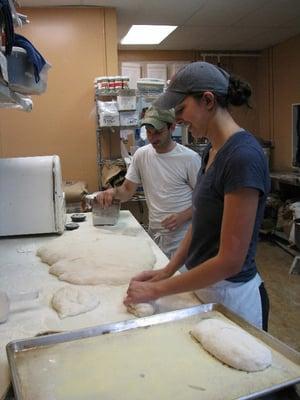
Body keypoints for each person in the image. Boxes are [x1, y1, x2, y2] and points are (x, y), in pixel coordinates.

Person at [124, 61, 270, 331]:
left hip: (233, 296)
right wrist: (167, 270)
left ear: (208, 100)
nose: (177, 119)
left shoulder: (243, 157)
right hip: (204, 286)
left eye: (181, 109)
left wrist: (159, 290)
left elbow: (230, 261)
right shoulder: (212, 151)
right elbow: (200, 224)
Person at [96, 106, 201, 259]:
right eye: (149, 133)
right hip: (156, 235)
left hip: (183, 238)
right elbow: (127, 190)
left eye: (158, 132)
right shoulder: (141, 155)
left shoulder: (189, 159)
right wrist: (113, 192)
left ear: (172, 127)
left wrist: (182, 216)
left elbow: (205, 201)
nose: (152, 138)